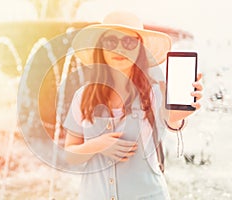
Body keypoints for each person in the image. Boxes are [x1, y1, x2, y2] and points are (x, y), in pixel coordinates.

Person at [62, 11, 203, 200]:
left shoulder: (156, 93)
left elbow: (172, 121)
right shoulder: (83, 96)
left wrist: (177, 116)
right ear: (101, 48)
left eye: (129, 41)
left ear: (140, 49)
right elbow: (70, 155)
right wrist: (97, 145)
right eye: (111, 41)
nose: (120, 48)